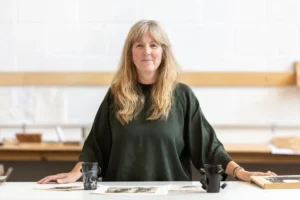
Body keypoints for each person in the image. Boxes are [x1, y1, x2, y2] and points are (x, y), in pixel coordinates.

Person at [38, 19, 276, 184]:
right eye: (139, 45)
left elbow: (208, 148)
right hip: (120, 193)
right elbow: (95, 148)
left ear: (163, 52)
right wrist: (73, 173)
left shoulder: (182, 96)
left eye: (154, 45)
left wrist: (241, 172)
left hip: (172, 193)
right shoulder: (116, 95)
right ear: (130, 53)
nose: (147, 51)